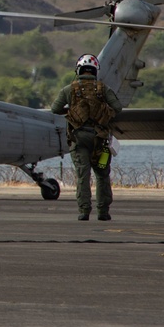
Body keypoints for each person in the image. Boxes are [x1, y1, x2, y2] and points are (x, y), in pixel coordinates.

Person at [50, 54, 122, 221]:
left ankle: (84, 211)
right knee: (102, 174)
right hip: (101, 140)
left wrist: (71, 112)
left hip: (79, 139)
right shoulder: (103, 89)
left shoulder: (69, 89)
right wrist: (105, 114)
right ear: (95, 70)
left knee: (83, 174)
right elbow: (117, 107)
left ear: (78, 70)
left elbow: (55, 108)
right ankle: (103, 212)